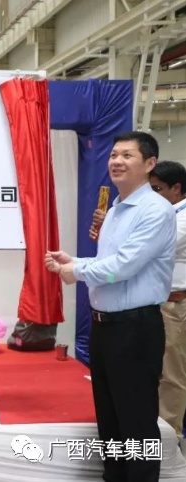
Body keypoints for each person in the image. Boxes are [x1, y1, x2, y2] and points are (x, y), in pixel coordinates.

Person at [45, 131, 176, 482]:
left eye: (127, 155)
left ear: (149, 163)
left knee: (136, 418)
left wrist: (75, 272)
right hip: (106, 326)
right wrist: (74, 261)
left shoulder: (156, 210)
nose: (117, 161)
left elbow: (124, 266)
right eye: (114, 155)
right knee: (110, 416)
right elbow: (110, 262)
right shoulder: (117, 208)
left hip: (135, 328)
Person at [89, 160, 186, 442]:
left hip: (173, 305)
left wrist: (112, 231)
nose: (151, 194)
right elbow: (120, 253)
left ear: (176, 188)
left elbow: (132, 255)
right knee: (139, 379)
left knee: (171, 374)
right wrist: (108, 229)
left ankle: (169, 437)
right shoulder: (139, 211)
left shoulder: (170, 216)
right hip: (145, 305)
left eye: (156, 189)